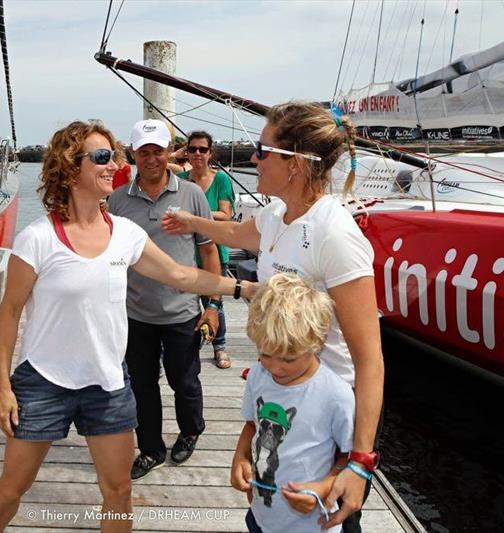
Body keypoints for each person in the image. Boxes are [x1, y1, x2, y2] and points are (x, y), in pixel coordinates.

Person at [0, 120, 255, 532]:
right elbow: (9, 313)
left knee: (118, 492)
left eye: (114, 155)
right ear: (69, 167)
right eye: (101, 157)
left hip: (108, 385)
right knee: (12, 488)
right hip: (43, 382)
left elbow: (182, 276)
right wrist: (2, 387)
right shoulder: (38, 239)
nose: (114, 164)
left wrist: (242, 289)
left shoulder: (124, 234)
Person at [162, 101, 384, 532]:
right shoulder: (277, 215)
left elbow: (370, 360)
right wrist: (190, 221)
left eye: (262, 151)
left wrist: (359, 463)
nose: (252, 158)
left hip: (326, 414)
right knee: (265, 514)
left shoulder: (334, 235)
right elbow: (233, 233)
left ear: (296, 164)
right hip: (278, 397)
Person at [108, 118, 223, 481]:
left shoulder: (192, 195)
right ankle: (151, 448)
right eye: (144, 152)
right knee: (141, 386)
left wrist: (213, 305)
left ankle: (190, 431)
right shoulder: (116, 201)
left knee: (184, 382)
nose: (152, 158)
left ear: (168, 151)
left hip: (183, 312)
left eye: (158, 150)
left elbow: (208, 252)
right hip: (135, 314)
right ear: (133, 155)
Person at [232, 273, 354, 533]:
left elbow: (348, 457)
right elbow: (252, 425)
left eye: (288, 358)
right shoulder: (257, 374)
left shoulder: (336, 394)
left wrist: (322, 488)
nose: (276, 367)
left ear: (317, 342)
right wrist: (240, 457)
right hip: (261, 517)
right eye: (265, 354)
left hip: (312, 525)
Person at [178, 130, 236, 369]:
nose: (198, 154)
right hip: (186, 252)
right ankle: (188, 347)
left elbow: (226, 214)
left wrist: (196, 216)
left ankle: (219, 346)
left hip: (214, 250)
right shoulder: (181, 178)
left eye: (203, 149)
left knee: (214, 302)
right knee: (187, 305)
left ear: (210, 153)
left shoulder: (221, 179)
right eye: (192, 149)